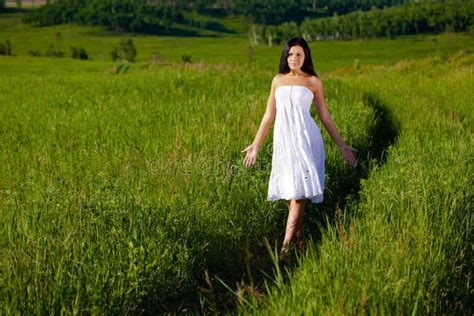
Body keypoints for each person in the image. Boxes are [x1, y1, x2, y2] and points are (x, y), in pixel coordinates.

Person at [241, 37, 357, 263]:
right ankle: (301, 239)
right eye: (291, 54)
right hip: (284, 142)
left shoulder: (313, 82)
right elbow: (269, 115)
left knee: (298, 197)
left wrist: (342, 145)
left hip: (306, 141)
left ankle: (284, 250)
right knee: (289, 192)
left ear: (306, 58)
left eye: (299, 55)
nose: (294, 58)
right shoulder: (277, 81)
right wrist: (255, 144)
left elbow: (324, 116)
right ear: (285, 56)